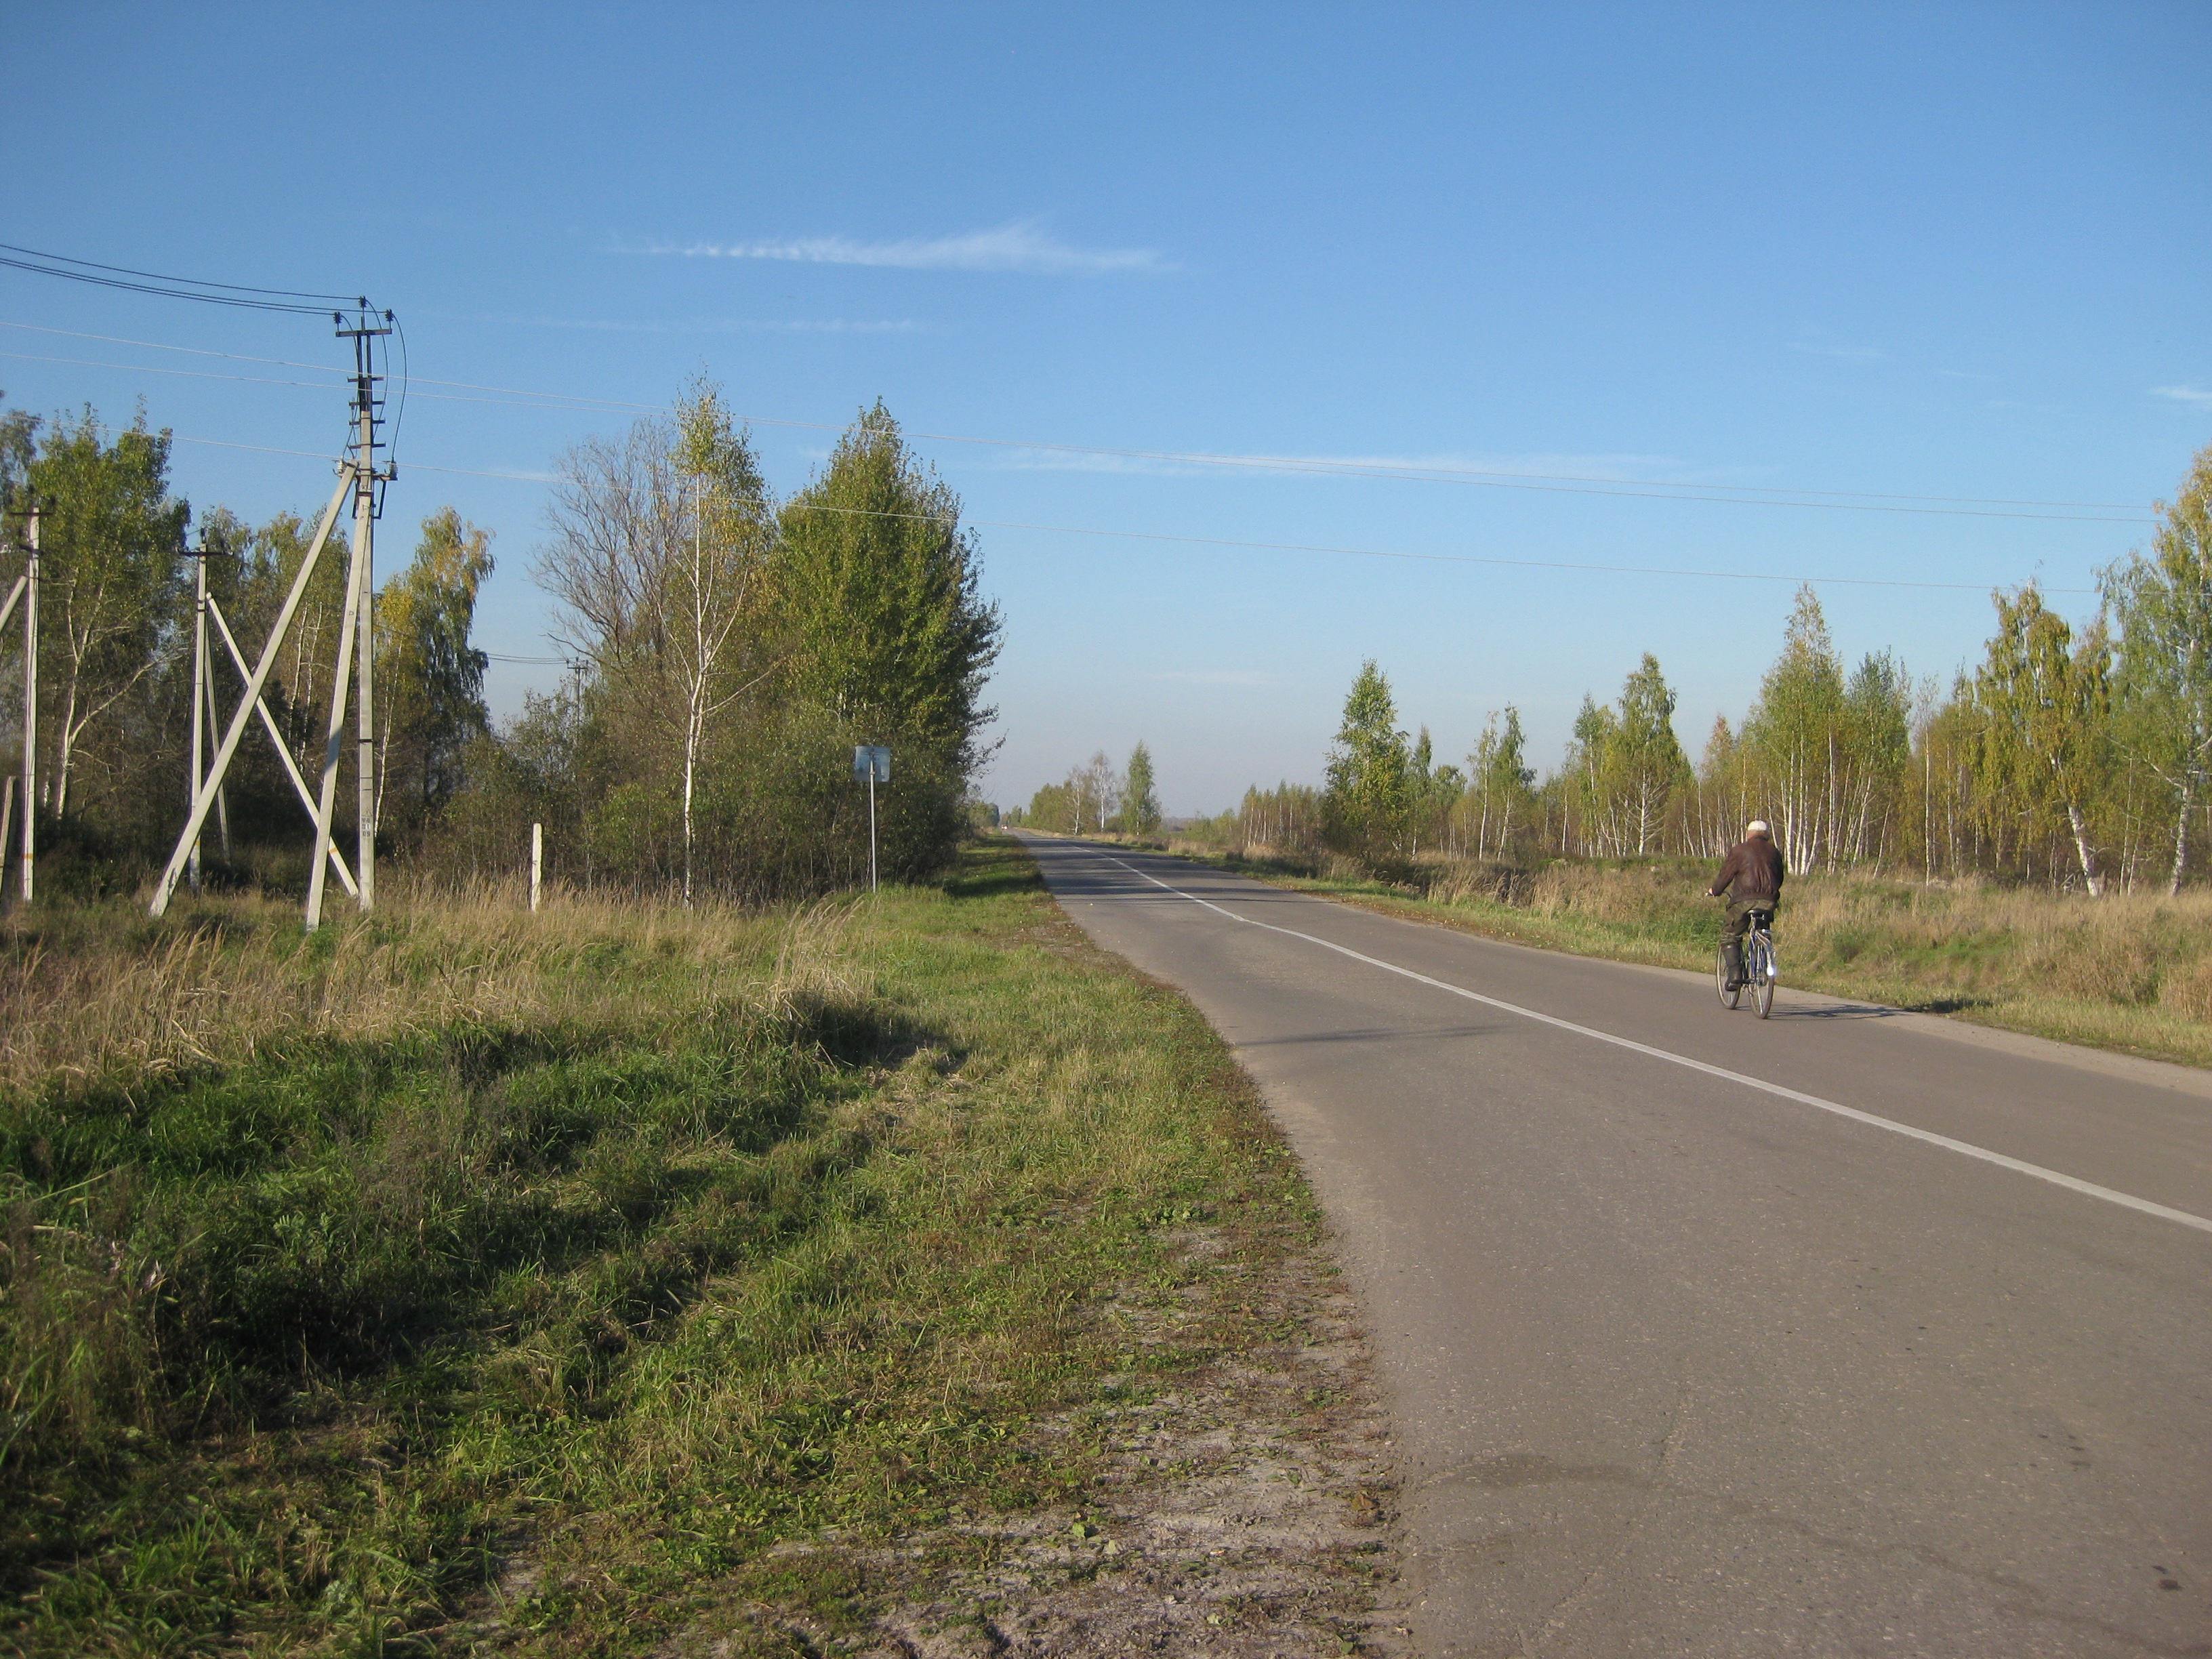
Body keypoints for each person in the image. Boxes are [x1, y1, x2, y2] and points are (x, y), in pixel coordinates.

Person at [1708, 820, 1784, 988]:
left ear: (1749, 834)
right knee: (1763, 930)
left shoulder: (1739, 850)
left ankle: (1735, 975)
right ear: (1767, 835)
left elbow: (1726, 875)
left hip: (1743, 901)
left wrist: (1715, 890)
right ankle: (1763, 956)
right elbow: (1779, 878)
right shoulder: (1775, 852)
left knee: (1730, 935)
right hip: (1769, 900)